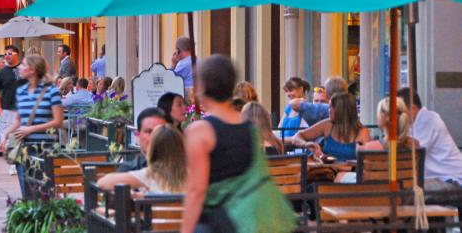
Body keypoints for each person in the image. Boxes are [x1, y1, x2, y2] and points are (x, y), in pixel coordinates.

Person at [181, 55, 295, 233]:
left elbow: (196, 191)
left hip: (223, 222)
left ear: (202, 87)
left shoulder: (200, 132)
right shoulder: (250, 128)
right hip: (254, 219)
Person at [0, 55, 63, 197]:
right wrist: (5, 134)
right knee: (27, 192)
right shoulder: (20, 92)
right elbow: (18, 120)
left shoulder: (51, 91)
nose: (20, 68)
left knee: (45, 191)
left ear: (32, 70)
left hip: (45, 148)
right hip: (24, 148)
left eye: (23, 65)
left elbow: (58, 121)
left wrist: (31, 129)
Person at [397, 88, 462, 192]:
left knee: (408, 192)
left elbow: (415, 149)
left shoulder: (428, 119)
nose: (398, 115)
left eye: (400, 111)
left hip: (452, 179)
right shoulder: (412, 125)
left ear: (413, 109)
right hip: (438, 178)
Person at [98, 124, 186, 194]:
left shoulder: (150, 175)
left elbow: (103, 183)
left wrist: (137, 195)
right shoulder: (194, 174)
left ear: (153, 149)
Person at [290, 93, 371, 162]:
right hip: (326, 172)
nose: (328, 110)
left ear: (339, 110)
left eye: (330, 107)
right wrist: (306, 144)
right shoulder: (327, 125)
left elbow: (365, 162)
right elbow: (296, 137)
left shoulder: (361, 131)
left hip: (350, 174)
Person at [0, 46, 24, 154]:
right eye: (5, 54)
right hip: (7, 109)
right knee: (7, 138)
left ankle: (18, 163)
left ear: (17, 54)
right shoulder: (1, 73)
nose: (7, 56)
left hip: (23, 109)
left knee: (21, 137)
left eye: (10, 53)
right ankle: (12, 166)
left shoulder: (25, 70)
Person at [117, 107, 168, 172]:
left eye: (160, 131)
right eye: (149, 132)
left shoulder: (179, 169)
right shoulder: (127, 171)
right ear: (138, 135)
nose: (155, 136)